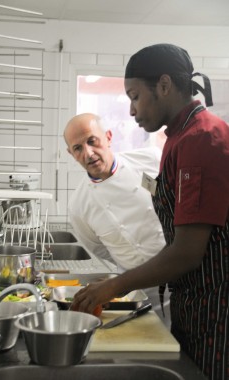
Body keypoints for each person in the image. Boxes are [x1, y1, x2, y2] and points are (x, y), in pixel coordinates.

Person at [71, 43, 229, 380]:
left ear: (164, 85)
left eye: (135, 96)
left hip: (217, 308)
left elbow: (187, 252)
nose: (131, 110)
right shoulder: (177, 138)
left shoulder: (202, 139)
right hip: (194, 302)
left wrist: (112, 287)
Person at [64, 113, 165, 273]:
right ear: (71, 154)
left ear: (108, 137)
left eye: (92, 141)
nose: (88, 153)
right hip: (134, 286)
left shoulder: (150, 160)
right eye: (78, 148)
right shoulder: (78, 206)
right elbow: (100, 250)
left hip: (180, 274)